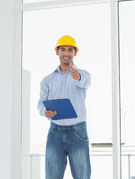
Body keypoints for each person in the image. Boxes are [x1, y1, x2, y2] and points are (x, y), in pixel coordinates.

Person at [37, 35, 91, 179]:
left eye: (70, 50)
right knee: (52, 176)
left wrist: (77, 76)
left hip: (77, 132)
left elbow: (85, 82)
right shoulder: (47, 80)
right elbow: (41, 103)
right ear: (57, 52)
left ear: (75, 53)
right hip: (55, 132)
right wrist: (44, 112)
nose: (66, 53)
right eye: (63, 50)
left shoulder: (82, 75)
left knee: (82, 176)